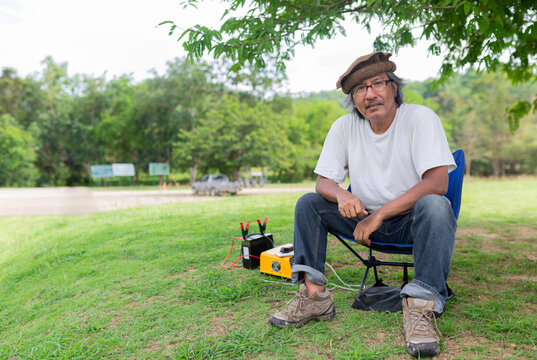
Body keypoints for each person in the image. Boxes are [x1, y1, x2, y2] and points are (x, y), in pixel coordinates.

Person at [269, 51, 457, 358]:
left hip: (411, 222)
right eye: (360, 89)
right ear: (354, 99)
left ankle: (420, 309)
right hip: (361, 222)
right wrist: (343, 195)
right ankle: (315, 297)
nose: (370, 94)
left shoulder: (420, 118)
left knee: (436, 205)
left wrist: (380, 214)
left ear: (393, 87)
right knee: (309, 203)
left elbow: (437, 183)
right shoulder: (344, 127)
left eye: (377, 84)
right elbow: (323, 183)